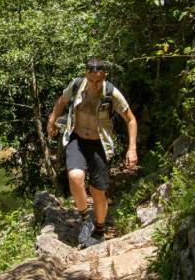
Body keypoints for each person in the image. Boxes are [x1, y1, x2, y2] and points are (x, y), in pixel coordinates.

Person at [46, 58, 138, 247]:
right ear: (86, 74)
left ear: (104, 75)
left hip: (100, 145)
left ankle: (100, 229)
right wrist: (51, 120)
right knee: (75, 177)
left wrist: (132, 149)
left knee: (98, 192)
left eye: (98, 80)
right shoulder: (77, 85)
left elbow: (131, 120)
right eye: (91, 78)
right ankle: (85, 218)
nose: (94, 83)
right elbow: (62, 101)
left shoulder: (111, 93)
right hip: (77, 139)